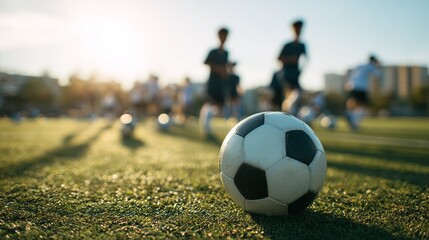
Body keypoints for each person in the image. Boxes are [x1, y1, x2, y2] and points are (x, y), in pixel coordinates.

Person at [199, 27, 229, 139]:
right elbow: (206, 62)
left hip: (221, 83)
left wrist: (225, 73)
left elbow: (225, 67)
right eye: (222, 35)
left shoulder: (226, 52)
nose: (223, 38)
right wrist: (218, 69)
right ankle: (205, 126)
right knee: (209, 102)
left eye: (225, 36)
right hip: (213, 81)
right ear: (218, 36)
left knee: (219, 104)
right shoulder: (213, 51)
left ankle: (210, 124)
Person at [278, 19, 308, 115]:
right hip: (287, 73)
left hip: (296, 74)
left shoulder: (302, 45)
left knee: (297, 94)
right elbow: (279, 58)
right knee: (291, 94)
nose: (298, 31)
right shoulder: (287, 45)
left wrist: (301, 70)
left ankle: (290, 113)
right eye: (296, 28)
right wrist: (291, 59)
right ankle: (286, 113)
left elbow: (306, 59)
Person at [345, 55, 383, 130]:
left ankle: (350, 115)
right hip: (361, 88)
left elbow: (352, 75)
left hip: (353, 86)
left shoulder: (360, 65)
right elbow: (378, 75)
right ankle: (354, 122)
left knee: (354, 105)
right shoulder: (371, 66)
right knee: (362, 106)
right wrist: (379, 66)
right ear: (374, 61)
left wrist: (348, 83)